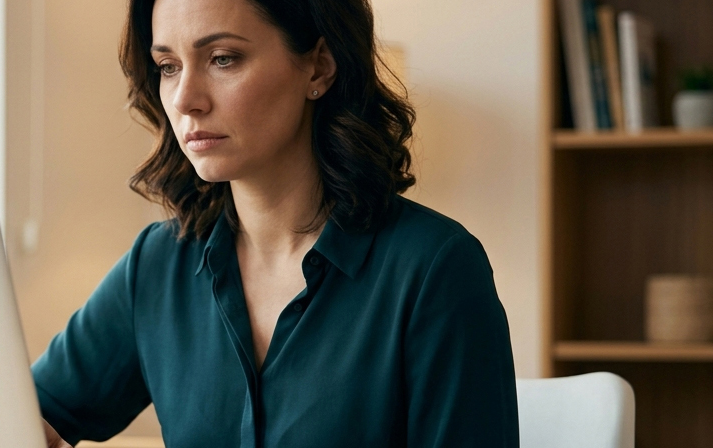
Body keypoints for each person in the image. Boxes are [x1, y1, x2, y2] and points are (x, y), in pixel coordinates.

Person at [34, 0, 519, 447]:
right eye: (168, 66)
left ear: (319, 65)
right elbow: (24, 417)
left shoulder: (434, 269)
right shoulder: (158, 265)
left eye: (222, 58)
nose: (185, 99)